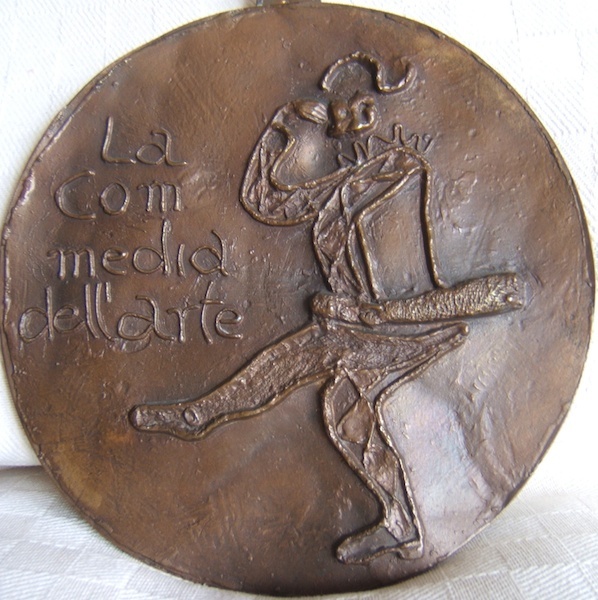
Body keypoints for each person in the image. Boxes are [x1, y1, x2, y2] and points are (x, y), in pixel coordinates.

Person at [130, 53, 519, 564]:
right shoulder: (347, 185)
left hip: (402, 325)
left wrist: (370, 314)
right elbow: (266, 203)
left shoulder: (400, 173)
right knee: (335, 402)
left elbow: (406, 280)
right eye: (332, 116)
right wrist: (279, 129)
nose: (338, 130)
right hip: (352, 329)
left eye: (347, 114)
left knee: (319, 386)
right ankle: (402, 525)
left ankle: (200, 414)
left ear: (365, 113)